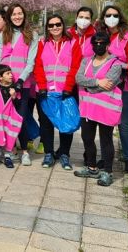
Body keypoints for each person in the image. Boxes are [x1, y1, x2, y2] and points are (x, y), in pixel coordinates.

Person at [0, 4, 39, 166]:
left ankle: (24, 151)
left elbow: (31, 62)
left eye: (20, 14)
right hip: (1, 84)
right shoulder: (4, 33)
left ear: (24, 15)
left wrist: (20, 81)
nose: (17, 17)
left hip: (21, 85)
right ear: (9, 17)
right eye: (14, 14)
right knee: (1, 117)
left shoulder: (32, 35)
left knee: (20, 118)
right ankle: (8, 150)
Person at [74, 32, 123, 187]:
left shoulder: (115, 64)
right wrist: (97, 82)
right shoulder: (86, 61)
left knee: (106, 140)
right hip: (87, 109)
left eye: (102, 43)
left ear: (108, 45)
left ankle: (107, 172)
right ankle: (91, 167)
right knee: (87, 138)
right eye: (96, 43)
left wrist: (89, 87)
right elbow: (78, 78)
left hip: (105, 110)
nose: (99, 46)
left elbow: (110, 83)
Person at [34, 14, 81, 170]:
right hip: (45, 92)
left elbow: (75, 67)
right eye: (51, 25)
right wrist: (41, 86)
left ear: (63, 25)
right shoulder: (42, 43)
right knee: (46, 124)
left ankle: (64, 154)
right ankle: (48, 153)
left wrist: (68, 88)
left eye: (58, 24)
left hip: (65, 92)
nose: (55, 28)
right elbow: (38, 66)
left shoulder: (72, 44)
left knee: (65, 123)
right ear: (47, 28)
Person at [98, 5, 128, 173]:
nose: (111, 18)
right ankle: (105, 157)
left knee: (124, 124)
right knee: (104, 124)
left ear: (120, 16)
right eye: (107, 15)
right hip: (104, 87)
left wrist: (122, 76)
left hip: (124, 88)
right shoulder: (103, 35)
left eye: (114, 15)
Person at [0, 64, 24, 169]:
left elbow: (17, 105)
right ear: (0, 77)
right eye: (8, 73)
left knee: (9, 137)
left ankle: (8, 156)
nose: (11, 75)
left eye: (10, 73)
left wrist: (14, 96)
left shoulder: (14, 88)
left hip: (8, 118)